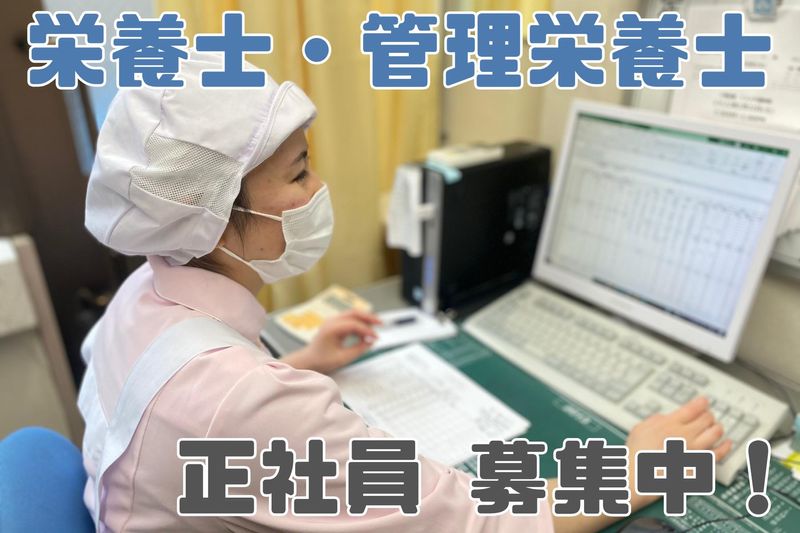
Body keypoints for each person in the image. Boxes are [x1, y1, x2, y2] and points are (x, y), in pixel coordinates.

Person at [79, 51, 732, 532]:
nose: (318, 189)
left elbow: (182, 414)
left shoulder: (143, 294)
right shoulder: (242, 403)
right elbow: (479, 522)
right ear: (214, 216)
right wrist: (633, 470)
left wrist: (302, 363)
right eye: (299, 173)